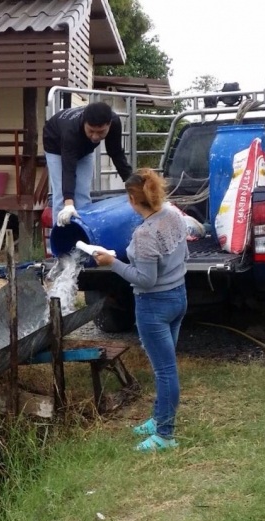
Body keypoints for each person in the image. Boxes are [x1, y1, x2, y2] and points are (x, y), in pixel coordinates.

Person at [92, 169, 189, 452]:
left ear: (133, 200)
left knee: (165, 371)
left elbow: (146, 279)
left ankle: (165, 436)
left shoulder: (146, 233)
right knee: (166, 367)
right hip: (178, 296)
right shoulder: (173, 215)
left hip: (154, 305)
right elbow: (183, 253)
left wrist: (113, 263)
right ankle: (159, 417)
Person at [43, 101, 133, 227]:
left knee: (83, 194)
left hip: (84, 149)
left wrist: (132, 183)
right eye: (91, 130)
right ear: (84, 122)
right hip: (55, 146)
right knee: (61, 196)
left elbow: (116, 152)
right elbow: (68, 170)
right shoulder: (70, 131)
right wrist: (69, 204)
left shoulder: (115, 122)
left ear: (109, 124)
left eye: (101, 132)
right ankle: (60, 238)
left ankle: (83, 235)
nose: (95, 136)